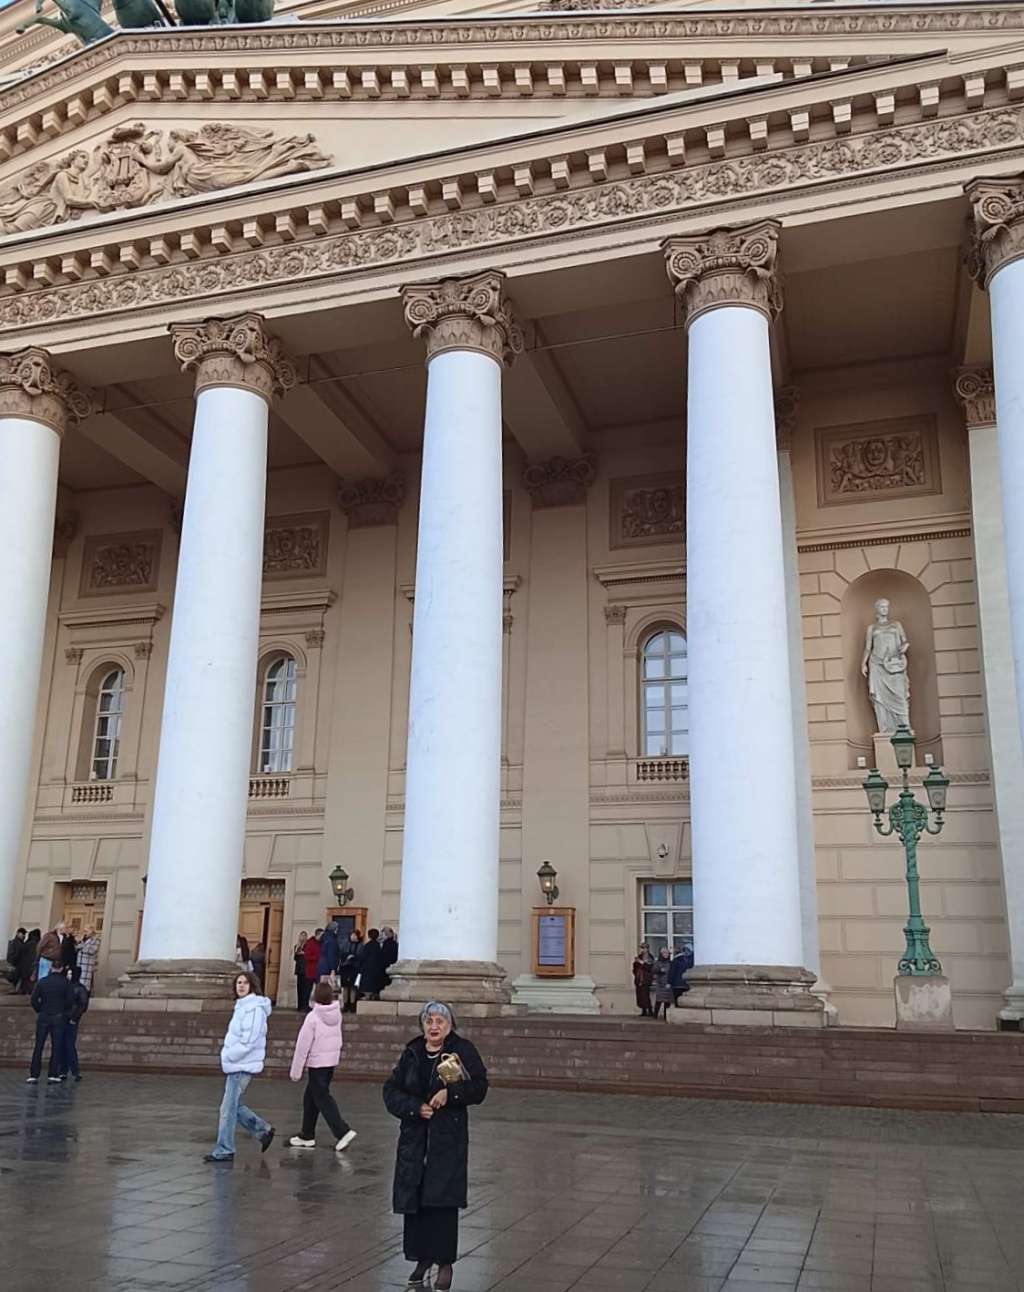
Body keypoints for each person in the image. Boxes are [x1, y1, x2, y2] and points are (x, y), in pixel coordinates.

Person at [383, 1003, 488, 1292]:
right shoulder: (413, 1052)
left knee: (442, 1203)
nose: (434, 1026)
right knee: (416, 1201)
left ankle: (444, 1262)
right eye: (429, 1021)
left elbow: (479, 1087)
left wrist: (450, 1094)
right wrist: (415, 1108)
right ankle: (421, 1258)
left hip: (447, 1141)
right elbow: (390, 1091)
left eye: (440, 1021)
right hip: (414, 1140)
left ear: (450, 1025)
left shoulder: (461, 1050)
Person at [204, 970, 275, 1163]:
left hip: (241, 1064)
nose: (241, 986)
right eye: (238, 983)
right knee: (233, 1106)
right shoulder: (243, 1006)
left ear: (252, 985)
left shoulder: (253, 1008)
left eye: (245, 983)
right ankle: (263, 1130)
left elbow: (250, 1039)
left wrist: (230, 1055)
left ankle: (225, 1149)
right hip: (237, 1063)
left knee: (227, 1109)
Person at [287, 981, 357, 1152]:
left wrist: (296, 1071)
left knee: (322, 1098)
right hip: (330, 1062)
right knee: (310, 1098)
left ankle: (342, 1131)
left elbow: (303, 1046)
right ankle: (307, 1134)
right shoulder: (336, 1015)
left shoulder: (313, 1017)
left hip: (317, 1063)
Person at [28, 963, 73, 1084]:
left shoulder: (42, 982)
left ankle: (34, 1074)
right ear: (61, 968)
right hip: (58, 1016)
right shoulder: (66, 983)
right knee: (56, 1046)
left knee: (38, 1046)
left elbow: (34, 999)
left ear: (51, 968)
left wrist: (40, 1009)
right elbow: (70, 1001)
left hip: (44, 1015)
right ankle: (53, 1073)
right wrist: (63, 1010)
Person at [59, 966, 89, 1082]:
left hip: (70, 1019)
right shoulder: (70, 986)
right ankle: (64, 1070)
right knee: (63, 1044)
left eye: (70, 973)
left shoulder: (79, 988)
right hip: (64, 1018)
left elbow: (83, 1005)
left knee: (69, 1044)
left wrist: (74, 1018)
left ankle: (74, 1071)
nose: (69, 975)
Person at [355, 927, 388, 1002]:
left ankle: (367, 996)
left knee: (367, 985)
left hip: (367, 968)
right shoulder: (378, 945)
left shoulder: (368, 945)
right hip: (376, 969)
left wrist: (358, 963)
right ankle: (372, 996)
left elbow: (363, 956)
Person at [338, 930, 363, 1013]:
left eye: (354, 935)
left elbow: (361, 956)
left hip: (354, 968)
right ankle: (345, 1004)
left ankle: (352, 1004)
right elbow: (341, 953)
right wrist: (346, 957)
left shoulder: (361, 945)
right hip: (345, 967)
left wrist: (354, 957)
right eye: (352, 935)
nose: (353, 937)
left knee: (353, 987)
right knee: (345, 986)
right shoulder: (345, 944)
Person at [650, 946, 674, 1020]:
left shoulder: (670, 963)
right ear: (661, 954)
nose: (666, 954)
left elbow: (673, 972)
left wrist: (670, 982)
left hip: (668, 983)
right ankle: (655, 1015)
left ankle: (666, 1016)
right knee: (659, 1000)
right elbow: (653, 970)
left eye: (667, 953)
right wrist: (660, 970)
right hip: (660, 984)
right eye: (664, 953)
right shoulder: (658, 962)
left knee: (667, 1001)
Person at [14, 929, 40, 993]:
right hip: (32, 968)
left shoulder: (27, 944)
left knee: (23, 985)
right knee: (30, 986)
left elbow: (19, 955)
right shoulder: (38, 944)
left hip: (23, 968)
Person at [632, 944, 654, 1018]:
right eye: (642, 948)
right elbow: (634, 969)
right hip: (639, 979)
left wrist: (642, 962)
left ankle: (650, 1011)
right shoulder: (639, 956)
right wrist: (636, 963)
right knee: (640, 996)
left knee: (646, 995)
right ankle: (644, 1011)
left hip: (646, 979)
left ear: (647, 949)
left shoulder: (650, 957)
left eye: (644, 948)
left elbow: (650, 968)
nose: (643, 950)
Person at [77, 928, 100, 993]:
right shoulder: (83, 939)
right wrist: (80, 943)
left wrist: (83, 946)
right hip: (79, 964)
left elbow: (92, 951)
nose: (85, 932)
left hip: (87, 965)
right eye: (84, 931)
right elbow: (76, 947)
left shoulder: (96, 940)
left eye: (86, 931)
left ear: (91, 931)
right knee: (78, 983)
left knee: (85, 985)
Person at [293, 932, 312, 1012]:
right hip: (299, 969)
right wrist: (297, 951)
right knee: (299, 988)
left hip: (306, 969)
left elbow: (309, 955)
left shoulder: (308, 946)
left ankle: (305, 1005)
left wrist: (304, 953)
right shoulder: (297, 946)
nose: (303, 938)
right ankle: (300, 1005)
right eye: (302, 936)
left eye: (304, 936)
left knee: (306, 988)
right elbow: (295, 958)